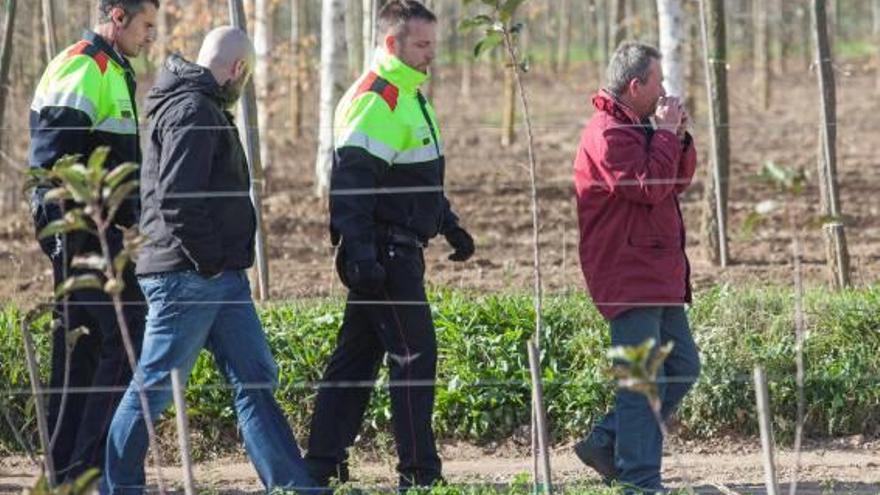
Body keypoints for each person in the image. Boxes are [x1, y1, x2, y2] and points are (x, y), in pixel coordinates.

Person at [101, 27, 313, 494]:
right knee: (154, 388)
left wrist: (220, 267)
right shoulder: (193, 110)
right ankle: (118, 487)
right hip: (189, 276)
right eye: (247, 75)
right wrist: (211, 262)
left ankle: (294, 486)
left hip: (218, 278)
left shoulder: (199, 103)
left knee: (254, 378)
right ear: (238, 69)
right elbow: (178, 199)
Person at [304, 0, 474, 489]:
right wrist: (358, 252)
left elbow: (413, 176)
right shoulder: (379, 98)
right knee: (414, 357)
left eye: (433, 45)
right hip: (384, 254)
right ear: (392, 44)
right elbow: (353, 183)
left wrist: (449, 224)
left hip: (398, 250)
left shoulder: (411, 94)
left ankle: (320, 464)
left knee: (356, 360)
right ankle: (420, 474)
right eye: (422, 45)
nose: (431, 55)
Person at [27, 0, 158, 481]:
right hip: (78, 227)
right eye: (146, 25)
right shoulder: (84, 65)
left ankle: (68, 473)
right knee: (128, 332)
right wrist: (82, 226)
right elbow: (57, 161)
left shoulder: (112, 68)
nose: (151, 38)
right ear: (118, 17)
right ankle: (90, 465)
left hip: (97, 228)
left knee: (82, 348)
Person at [571, 42, 702, 493]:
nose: (664, 90)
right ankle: (640, 480)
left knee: (682, 365)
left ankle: (606, 442)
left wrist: (676, 136)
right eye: (658, 82)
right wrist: (665, 134)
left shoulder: (637, 126)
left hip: (657, 271)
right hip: (630, 274)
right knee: (643, 381)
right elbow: (647, 186)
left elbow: (674, 181)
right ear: (635, 85)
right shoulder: (608, 132)